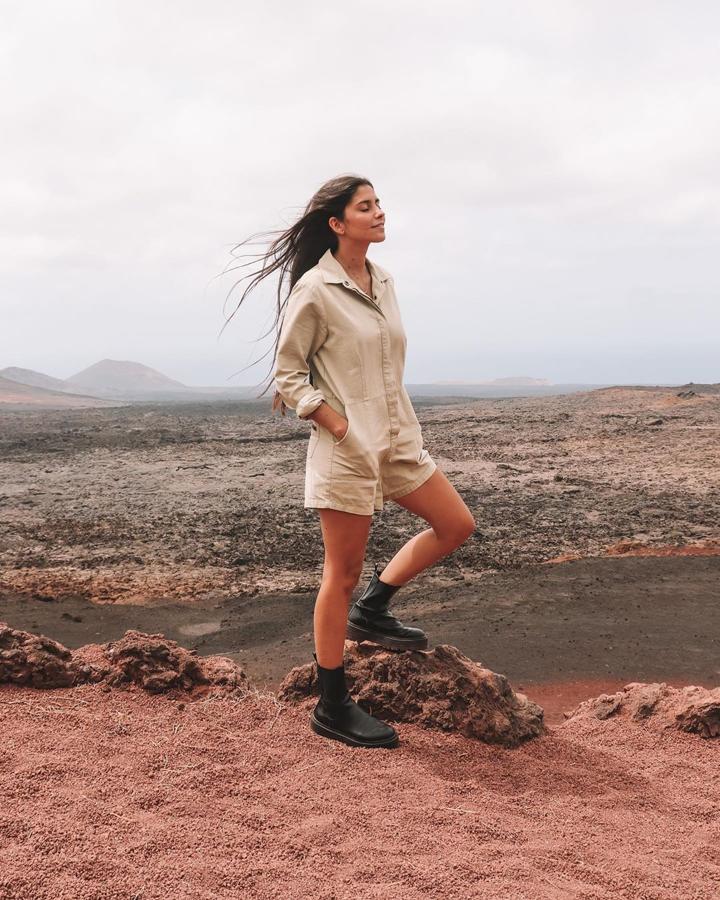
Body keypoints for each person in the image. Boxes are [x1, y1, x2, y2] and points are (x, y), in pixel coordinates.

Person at [223, 174, 476, 749]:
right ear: (337, 224)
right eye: (367, 207)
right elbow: (289, 372)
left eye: (379, 203)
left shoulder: (383, 280)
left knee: (456, 525)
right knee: (339, 575)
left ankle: (375, 609)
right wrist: (332, 420)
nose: (381, 213)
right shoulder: (315, 290)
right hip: (346, 450)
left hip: (398, 441)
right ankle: (332, 702)